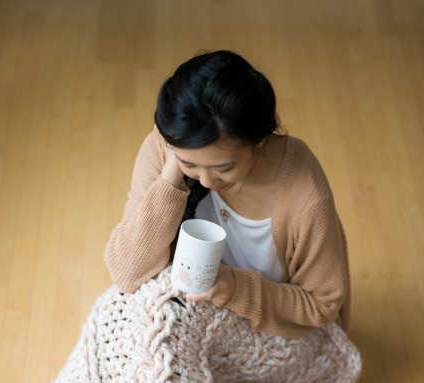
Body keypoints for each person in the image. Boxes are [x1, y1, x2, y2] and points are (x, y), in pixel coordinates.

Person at [105, 49, 351, 339]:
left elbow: (322, 306)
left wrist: (236, 288)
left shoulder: (302, 192)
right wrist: (173, 174)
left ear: (259, 139)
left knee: (155, 341)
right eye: (191, 164)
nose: (207, 181)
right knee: (115, 312)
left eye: (224, 167)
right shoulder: (168, 146)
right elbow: (128, 273)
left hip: (284, 335)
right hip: (198, 314)